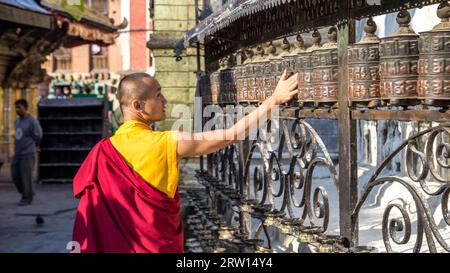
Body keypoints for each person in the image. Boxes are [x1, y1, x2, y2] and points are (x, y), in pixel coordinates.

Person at [72, 70, 298, 253]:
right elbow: (229, 135)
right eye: (158, 94)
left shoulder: (103, 151)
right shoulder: (164, 143)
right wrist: (273, 101)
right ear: (138, 106)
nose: (165, 100)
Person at [11, 99, 43, 206]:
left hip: (28, 153)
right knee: (15, 173)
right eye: (16, 107)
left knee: (26, 177)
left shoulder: (32, 121)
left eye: (19, 107)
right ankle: (27, 192)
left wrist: (35, 145)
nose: (17, 110)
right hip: (17, 153)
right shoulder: (18, 121)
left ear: (26, 107)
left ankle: (27, 197)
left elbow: (38, 135)